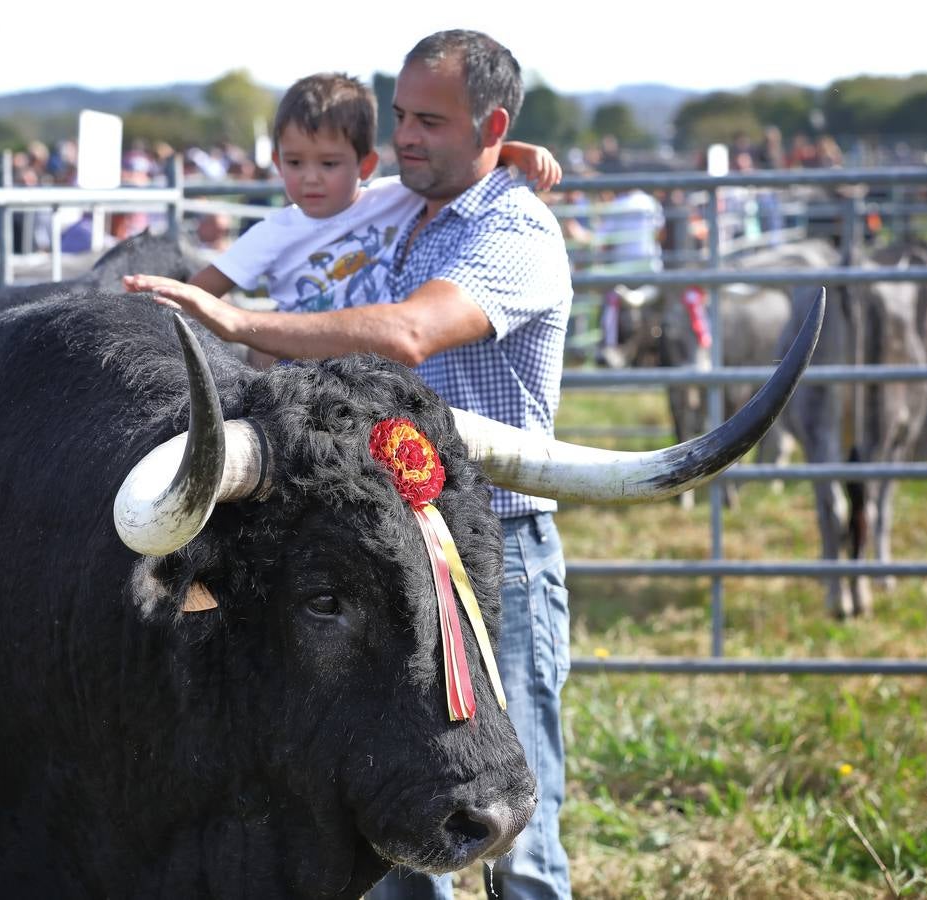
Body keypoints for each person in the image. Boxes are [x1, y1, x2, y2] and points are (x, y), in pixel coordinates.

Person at [125, 29, 574, 899]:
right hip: (371, 557)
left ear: (489, 124)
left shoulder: (516, 228)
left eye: (431, 121)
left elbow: (408, 333)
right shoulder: (398, 209)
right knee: (388, 802)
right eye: (401, 116)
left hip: (490, 556)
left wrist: (241, 324)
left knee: (511, 822)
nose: (407, 136)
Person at [127, 71, 559, 317]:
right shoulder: (271, 233)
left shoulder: (395, 196)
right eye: (295, 163)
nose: (310, 178)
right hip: (298, 375)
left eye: (329, 164)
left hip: (375, 375)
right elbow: (202, 292)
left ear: (366, 166)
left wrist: (515, 151)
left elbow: (464, 162)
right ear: (278, 165)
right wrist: (152, 298)